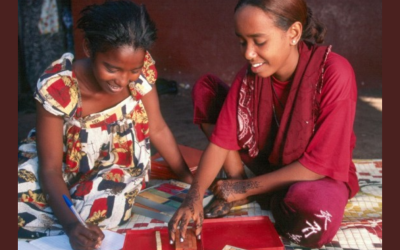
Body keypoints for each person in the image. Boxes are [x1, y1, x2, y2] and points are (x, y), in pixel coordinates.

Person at [168, 0, 359, 248]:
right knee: (206, 89)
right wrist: (192, 198)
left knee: (314, 223)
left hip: (317, 175)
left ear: (293, 33)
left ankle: (252, 191)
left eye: (259, 42)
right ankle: (244, 185)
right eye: (241, 41)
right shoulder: (249, 77)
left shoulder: (334, 73)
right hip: (267, 165)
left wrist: (246, 187)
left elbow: (320, 164)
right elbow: (220, 143)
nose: (248, 53)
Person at [17, 1, 193, 249]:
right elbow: (50, 169)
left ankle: (69, 217)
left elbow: (158, 128)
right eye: (112, 68)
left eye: (133, 70)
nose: (122, 81)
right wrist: (71, 226)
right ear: (89, 48)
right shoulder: (58, 88)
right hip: (60, 165)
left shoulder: (141, 74)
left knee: (103, 207)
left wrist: (190, 183)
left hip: (116, 165)